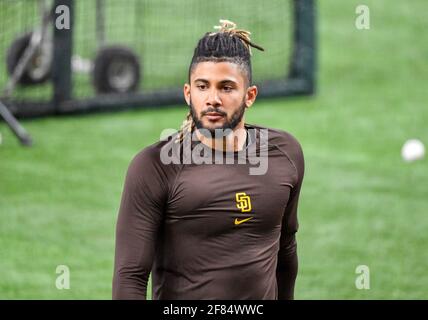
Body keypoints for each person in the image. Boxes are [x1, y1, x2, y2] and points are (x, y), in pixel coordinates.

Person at [113, 20, 305, 300]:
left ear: (249, 95)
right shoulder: (155, 166)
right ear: (188, 92)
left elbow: (286, 249)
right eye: (203, 86)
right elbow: (130, 277)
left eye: (226, 88)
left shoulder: (285, 154)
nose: (212, 99)